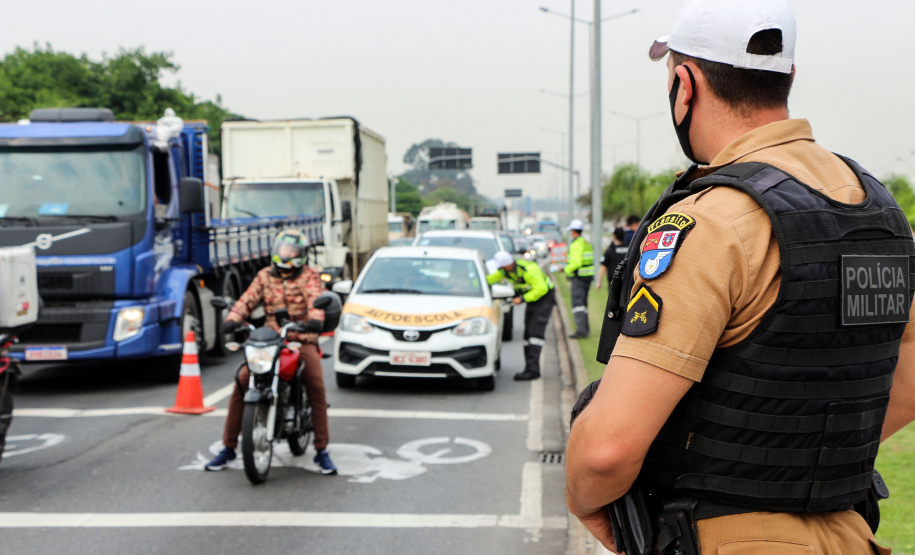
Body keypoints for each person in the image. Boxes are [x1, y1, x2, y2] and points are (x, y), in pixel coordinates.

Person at [565, 1, 915, 553]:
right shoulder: (877, 209)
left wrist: (586, 502)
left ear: (685, 85)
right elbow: (908, 377)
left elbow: (606, 450)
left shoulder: (712, 221)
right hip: (851, 533)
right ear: (787, 77)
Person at [205, 229, 337, 475]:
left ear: (301, 254)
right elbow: (247, 300)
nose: (287, 255)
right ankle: (229, 447)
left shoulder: (309, 276)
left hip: (301, 339)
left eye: (292, 251)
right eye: (283, 250)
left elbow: (315, 300)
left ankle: (322, 450)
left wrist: (315, 321)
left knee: (316, 385)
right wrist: (232, 319)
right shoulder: (265, 276)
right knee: (242, 381)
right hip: (270, 341)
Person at [486, 250, 555, 381]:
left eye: (500, 267)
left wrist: (522, 299)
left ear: (507, 265)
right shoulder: (505, 271)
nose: (499, 270)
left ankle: (533, 371)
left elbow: (541, 289)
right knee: (527, 334)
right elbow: (489, 280)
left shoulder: (529, 270)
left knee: (535, 335)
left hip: (544, 299)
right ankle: (529, 369)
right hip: (532, 300)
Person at [563, 219, 594, 339]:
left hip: (579, 278)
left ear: (572, 231)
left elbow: (576, 262)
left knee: (578, 304)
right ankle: (585, 329)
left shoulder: (576, 244)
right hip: (587, 277)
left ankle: (581, 331)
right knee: (583, 304)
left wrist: (565, 269)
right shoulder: (585, 242)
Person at [595, 227, 626, 291]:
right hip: (626, 283)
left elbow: (603, 266)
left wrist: (598, 282)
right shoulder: (629, 250)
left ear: (614, 236)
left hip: (613, 283)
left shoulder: (610, 250)